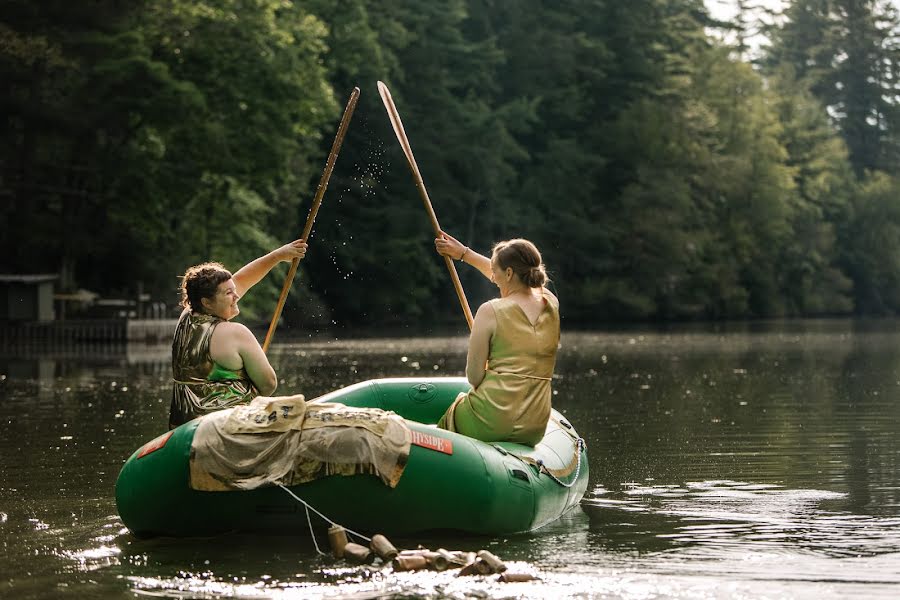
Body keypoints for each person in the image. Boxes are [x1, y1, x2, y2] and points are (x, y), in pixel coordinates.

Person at [433, 231, 560, 445]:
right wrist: (464, 253)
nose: (494, 280)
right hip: (534, 427)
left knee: (450, 418)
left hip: (490, 421)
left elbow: (474, 377)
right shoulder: (551, 303)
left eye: (496, 274)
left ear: (509, 273)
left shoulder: (490, 310)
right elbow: (523, 282)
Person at [168, 240, 308, 430]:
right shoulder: (235, 333)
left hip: (182, 425)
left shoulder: (187, 315)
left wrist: (278, 255)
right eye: (229, 293)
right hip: (229, 428)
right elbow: (268, 384)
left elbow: (242, 279)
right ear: (207, 302)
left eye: (234, 290)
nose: (236, 296)